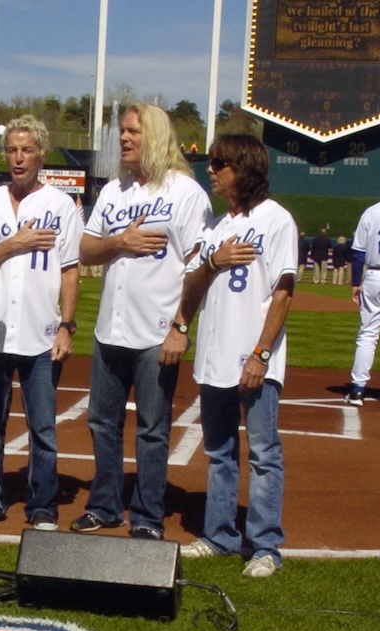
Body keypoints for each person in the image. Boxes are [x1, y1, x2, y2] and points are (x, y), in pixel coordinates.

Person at [69, 103, 212, 539]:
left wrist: (181, 326)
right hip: (109, 329)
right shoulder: (114, 190)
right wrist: (120, 241)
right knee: (101, 422)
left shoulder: (186, 194)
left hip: (156, 332)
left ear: (154, 135)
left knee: (152, 428)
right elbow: (85, 249)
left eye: (133, 131)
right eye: (122, 132)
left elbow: (199, 268)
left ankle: (148, 517)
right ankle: (105, 506)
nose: (125, 139)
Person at [178, 134, 297, 578]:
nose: (211, 170)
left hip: (254, 358)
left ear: (243, 168)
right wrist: (214, 262)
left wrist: (261, 354)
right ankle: (220, 535)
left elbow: (283, 293)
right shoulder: (214, 228)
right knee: (220, 451)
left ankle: (265, 545)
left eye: (220, 163)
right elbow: (189, 286)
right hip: (214, 356)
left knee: (264, 452)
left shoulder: (276, 220)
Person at [0, 115, 83, 532]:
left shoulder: (60, 205)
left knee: (42, 427)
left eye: (27, 150)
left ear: (41, 155)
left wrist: (67, 325)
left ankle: (43, 505)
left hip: (40, 334)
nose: (18, 157)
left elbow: (69, 270)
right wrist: (14, 244)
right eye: (12, 149)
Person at [344, 167, 380, 408]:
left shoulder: (371, 212)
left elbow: (358, 252)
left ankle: (357, 390)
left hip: (374, 276)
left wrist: (356, 282)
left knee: (367, 334)